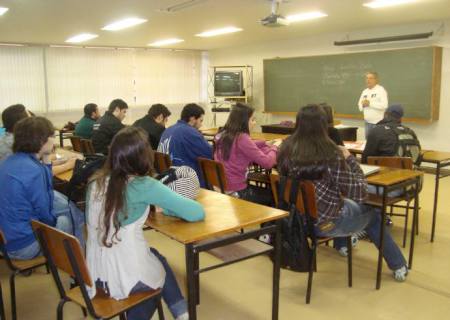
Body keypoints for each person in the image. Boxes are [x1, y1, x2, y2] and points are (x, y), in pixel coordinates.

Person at [277, 104, 408, 282]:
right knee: (374, 213)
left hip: (296, 221)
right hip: (326, 224)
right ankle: (398, 265)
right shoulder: (331, 153)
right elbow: (360, 192)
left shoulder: (285, 148)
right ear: (324, 125)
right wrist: (351, 160)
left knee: (342, 200)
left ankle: (343, 246)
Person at [86, 126, 205, 320]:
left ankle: (181, 312)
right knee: (154, 282)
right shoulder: (144, 185)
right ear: (144, 156)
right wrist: (165, 208)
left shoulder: (95, 182)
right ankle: (182, 313)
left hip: (96, 270)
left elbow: (115, 212)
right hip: (124, 273)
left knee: (156, 256)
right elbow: (196, 212)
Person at [0, 117, 84, 260]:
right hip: (24, 246)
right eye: (51, 136)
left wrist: (46, 160)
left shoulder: (8, 162)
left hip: (6, 240)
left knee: (65, 210)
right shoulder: (34, 170)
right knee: (69, 217)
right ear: (41, 140)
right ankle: (79, 268)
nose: (53, 140)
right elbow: (46, 215)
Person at [214, 103, 277, 206]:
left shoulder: (223, 134)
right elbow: (268, 163)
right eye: (252, 120)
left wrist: (264, 143)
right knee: (275, 196)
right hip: (237, 192)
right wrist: (275, 148)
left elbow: (241, 145)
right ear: (243, 121)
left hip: (221, 188)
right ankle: (268, 221)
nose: (255, 123)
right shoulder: (242, 138)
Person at [158, 103, 212, 187]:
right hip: (183, 182)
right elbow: (210, 153)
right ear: (192, 119)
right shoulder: (189, 132)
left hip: (166, 178)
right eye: (201, 121)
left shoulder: (168, 130)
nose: (201, 125)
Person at [358, 72, 388, 139]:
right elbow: (359, 105)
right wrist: (363, 105)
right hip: (367, 123)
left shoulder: (381, 90)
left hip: (378, 124)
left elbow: (384, 105)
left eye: (371, 78)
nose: (368, 80)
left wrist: (370, 104)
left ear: (376, 80)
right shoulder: (364, 91)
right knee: (368, 144)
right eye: (367, 78)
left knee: (377, 145)